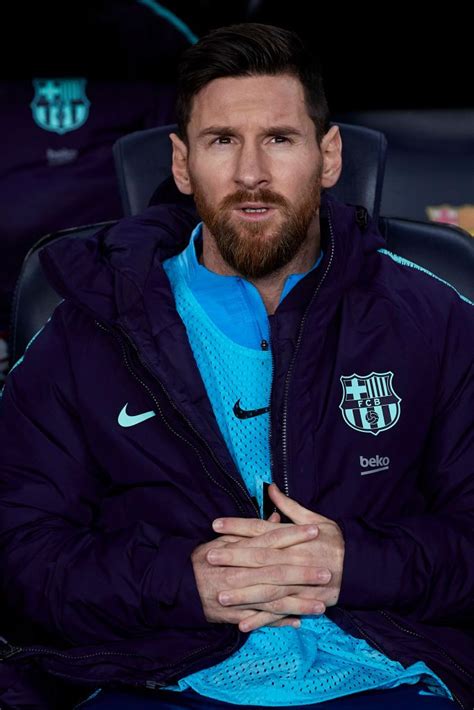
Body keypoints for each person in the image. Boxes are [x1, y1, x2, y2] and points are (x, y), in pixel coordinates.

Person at [0, 22, 472, 710]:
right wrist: (183, 582)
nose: (251, 172)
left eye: (279, 139)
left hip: (390, 675)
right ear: (182, 163)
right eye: (223, 141)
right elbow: (20, 553)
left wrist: (353, 566)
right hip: (157, 676)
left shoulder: (435, 318)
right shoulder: (87, 327)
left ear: (329, 155)